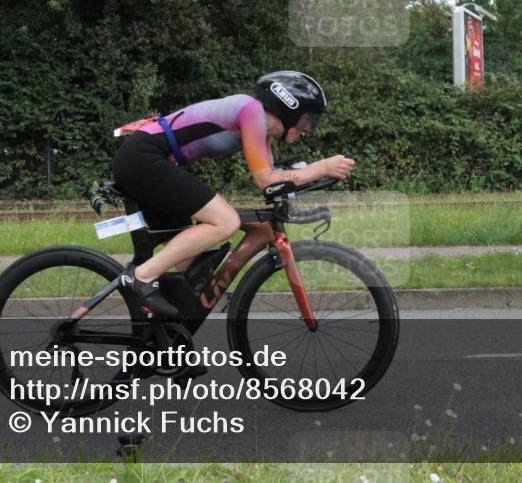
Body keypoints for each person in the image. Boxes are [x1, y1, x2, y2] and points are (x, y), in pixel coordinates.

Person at [111, 70, 355, 318]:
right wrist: (321, 168)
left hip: (150, 160)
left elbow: (273, 185)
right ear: (288, 109)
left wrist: (317, 176)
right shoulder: (251, 112)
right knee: (226, 221)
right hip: (143, 159)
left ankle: (163, 338)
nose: (307, 128)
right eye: (307, 120)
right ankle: (141, 277)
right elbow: (265, 180)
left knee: (192, 276)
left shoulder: (260, 130)